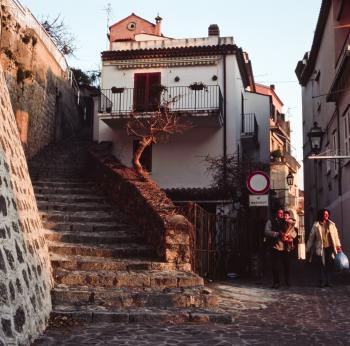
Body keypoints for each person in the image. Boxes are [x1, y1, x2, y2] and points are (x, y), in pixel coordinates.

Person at [306, 208, 342, 288]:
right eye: (325, 214)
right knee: (321, 265)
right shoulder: (316, 225)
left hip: (330, 248)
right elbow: (311, 237)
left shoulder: (332, 224)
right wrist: (307, 249)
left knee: (329, 265)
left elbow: (336, 236)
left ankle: (328, 281)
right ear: (321, 215)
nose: (326, 215)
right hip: (320, 248)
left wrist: (338, 246)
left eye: (327, 214)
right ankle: (322, 281)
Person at [264, 208, 297, 288]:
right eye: (279, 213)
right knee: (275, 266)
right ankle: (276, 282)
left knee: (287, 266)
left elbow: (294, 232)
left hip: (286, 247)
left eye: (282, 213)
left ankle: (287, 282)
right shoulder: (270, 221)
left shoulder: (286, 221)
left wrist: (290, 236)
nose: (281, 215)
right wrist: (277, 234)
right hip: (276, 246)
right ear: (276, 214)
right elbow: (266, 231)